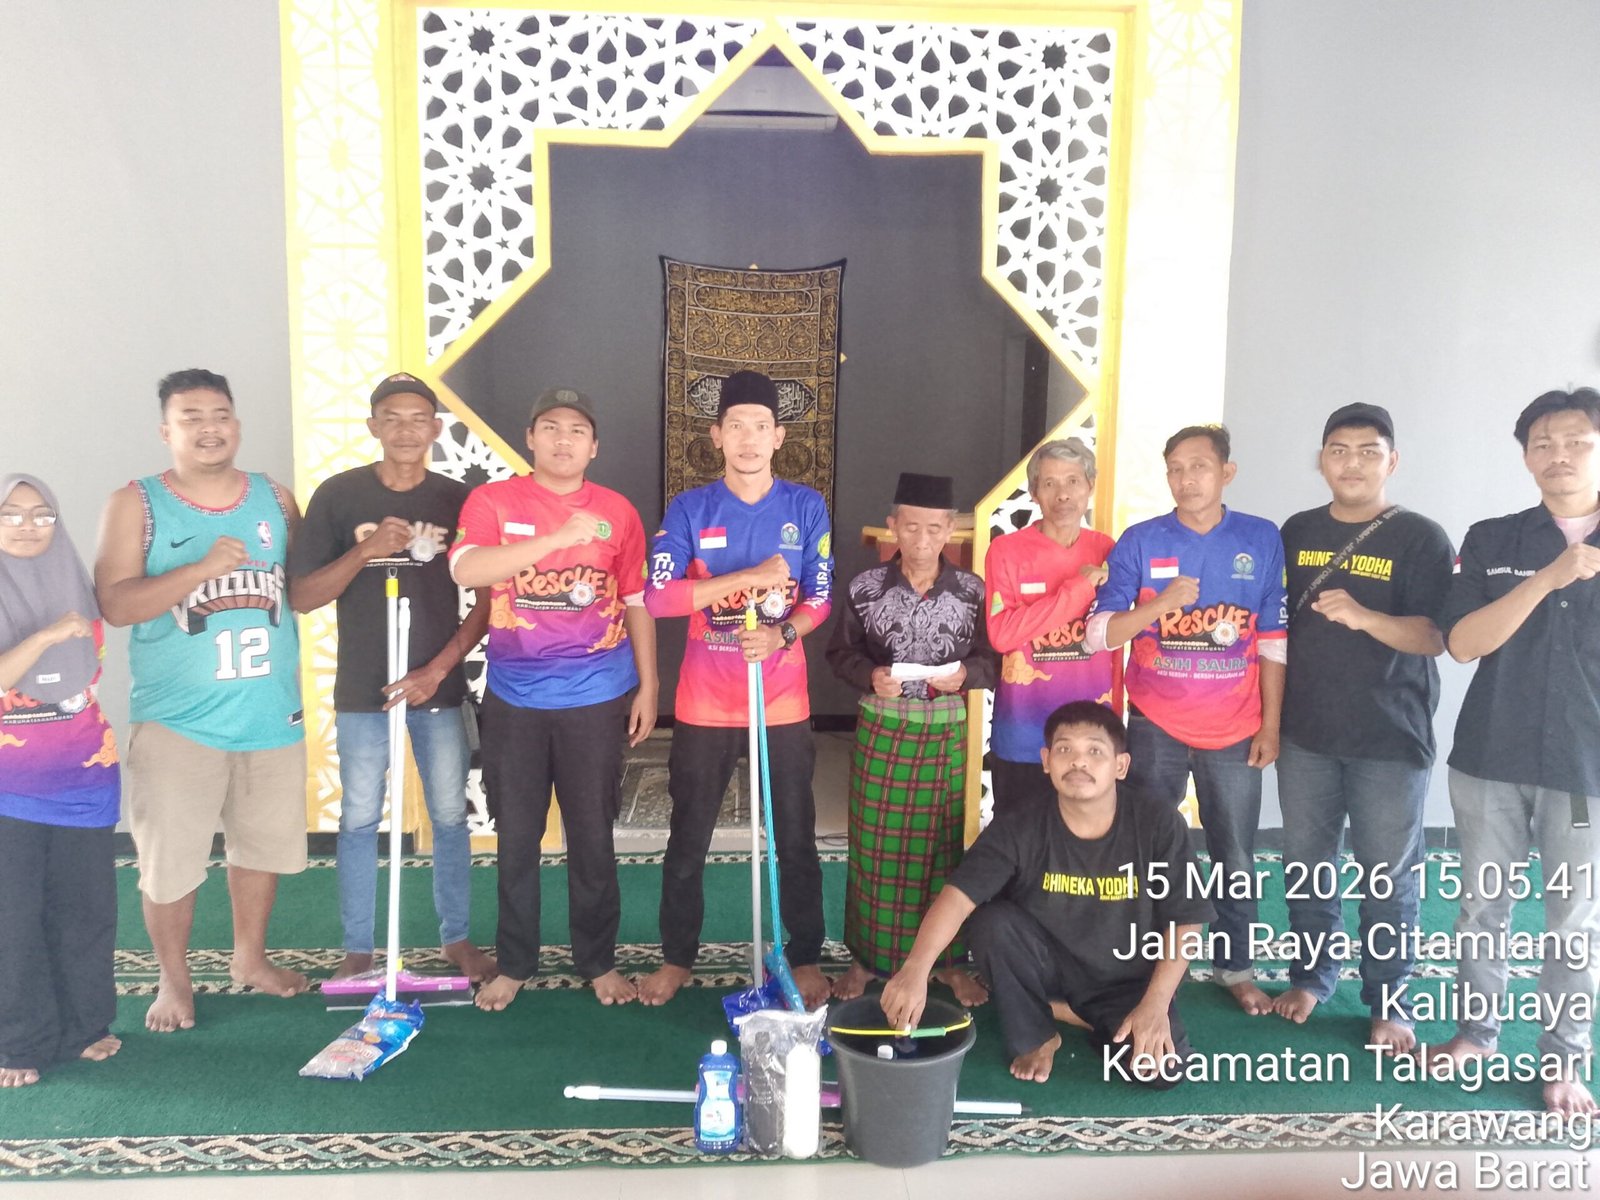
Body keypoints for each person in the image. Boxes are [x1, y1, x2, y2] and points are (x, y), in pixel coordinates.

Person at [95, 368, 309, 1032]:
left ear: (236, 424)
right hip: (178, 721)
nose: (209, 428)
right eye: (191, 418)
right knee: (170, 862)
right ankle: (173, 978)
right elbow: (115, 604)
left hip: (269, 712)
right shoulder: (136, 502)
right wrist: (197, 571)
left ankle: (250, 958)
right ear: (167, 431)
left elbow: (304, 588)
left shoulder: (275, 497)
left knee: (261, 848)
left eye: (219, 415)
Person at [880, 702, 1213, 1086]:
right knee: (992, 923)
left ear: (1120, 766)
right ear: (1046, 761)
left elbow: (1187, 920)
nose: (1078, 762)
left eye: (1095, 751)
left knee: (1160, 1072)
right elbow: (958, 896)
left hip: (1127, 981)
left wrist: (1155, 1003)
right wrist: (915, 968)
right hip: (1048, 969)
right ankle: (1039, 1033)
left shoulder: (1159, 822)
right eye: (1064, 749)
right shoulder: (1020, 824)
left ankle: (1070, 1013)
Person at [450, 387, 656, 1008]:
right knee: (516, 836)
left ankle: (598, 961)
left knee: (592, 834)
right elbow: (466, 569)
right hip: (514, 698)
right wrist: (555, 538)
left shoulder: (618, 512)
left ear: (594, 447)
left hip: (597, 695)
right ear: (531, 438)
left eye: (577, 430)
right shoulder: (493, 501)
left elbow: (637, 601)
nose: (563, 439)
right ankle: (515, 961)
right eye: (550, 427)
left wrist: (650, 685)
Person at [289, 372, 494, 984]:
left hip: (437, 687)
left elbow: (489, 600)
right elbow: (302, 596)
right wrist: (366, 549)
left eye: (418, 419)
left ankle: (456, 938)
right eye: (392, 418)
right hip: (364, 687)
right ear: (373, 426)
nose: (406, 429)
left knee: (450, 815)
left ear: (436, 429)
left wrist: (439, 669)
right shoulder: (338, 495)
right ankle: (358, 947)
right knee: (358, 817)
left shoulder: (459, 500)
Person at [639, 369, 833, 1009]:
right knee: (688, 836)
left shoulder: (805, 507)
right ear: (717, 435)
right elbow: (660, 597)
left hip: (782, 701)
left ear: (778, 438)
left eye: (761, 427)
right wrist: (746, 578)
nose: (748, 439)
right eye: (736, 426)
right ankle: (677, 957)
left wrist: (782, 635)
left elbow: (820, 598)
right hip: (705, 702)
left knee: (796, 834)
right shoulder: (690, 510)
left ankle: (805, 954)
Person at [1430, 387, 1600, 1115]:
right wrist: (1549, 577)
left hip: (1585, 769)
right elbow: (1464, 643)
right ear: (1526, 456)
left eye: (1577, 441)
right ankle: (1476, 1033)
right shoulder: (1495, 539)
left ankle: (1564, 1059)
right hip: (1490, 757)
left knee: (1573, 921)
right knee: (1481, 907)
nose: (1559, 455)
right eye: (1543, 444)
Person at [1084, 424, 1286, 1015]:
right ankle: (1139, 963)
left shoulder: (1260, 537)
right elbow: (1100, 634)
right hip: (1155, 723)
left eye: (1199, 466)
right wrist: (1163, 604)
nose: (1186, 478)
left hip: (1236, 726)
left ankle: (1235, 966)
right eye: (1175, 468)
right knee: (1144, 846)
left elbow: (1274, 639)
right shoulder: (1141, 541)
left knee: (1235, 852)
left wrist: (1271, 725)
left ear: (1226, 472)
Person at [1271, 404, 1453, 1053]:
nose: (1353, 463)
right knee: (1306, 866)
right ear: (1322, 459)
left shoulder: (1420, 538)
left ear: (1391, 461)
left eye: (1368, 451)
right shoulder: (1296, 531)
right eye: (1339, 450)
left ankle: (1390, 1000)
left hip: (1389, 739)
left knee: (1387, 876)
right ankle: (1312, 977)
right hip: (1305, 733)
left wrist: (1366, 617)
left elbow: (1436, 636)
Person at [825, 472, 996, 1004]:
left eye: (934, 528)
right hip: (884, 727)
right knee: (874, 846)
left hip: (947, 731)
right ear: (893, 526)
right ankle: (865, 960)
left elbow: (994, 659)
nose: (923, 539)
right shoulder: (865, 587)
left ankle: (948, 963)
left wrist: (965, 674)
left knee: (944, 847)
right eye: (912, 527)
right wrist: (869, 676)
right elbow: (839, 653)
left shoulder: (972, 591)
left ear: (950, 531)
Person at [0, 476, 121, 1087]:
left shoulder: (76, 581)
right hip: (9, 787)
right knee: (13, 919)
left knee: (85, 912)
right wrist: (47, 635)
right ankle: (19, 1041)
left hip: (85, 776)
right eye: (12, 513)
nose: (28, 525)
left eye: (41, 513)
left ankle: (84, 1026)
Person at [984, 438, 1116, 815]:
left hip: (1092, 735)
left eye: (1073, 481)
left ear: (1090, 486)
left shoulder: (1108, 550)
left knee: (1086, 836)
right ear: (1034, 493)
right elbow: (1002, 635)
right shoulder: (1006, 551)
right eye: (1050, 483)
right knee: (1018, 838)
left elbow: (1120, 631)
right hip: (1023, 735)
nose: (1063, 494)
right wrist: (1079, 590)